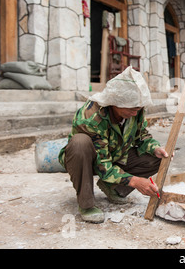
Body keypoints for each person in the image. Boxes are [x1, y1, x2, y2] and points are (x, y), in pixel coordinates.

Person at [58, 66, 170, 223]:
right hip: (88, 159)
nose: (135, 113)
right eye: (132, 108)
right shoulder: (91, 117)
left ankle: (113, 188)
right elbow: (102, 164)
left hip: (116, 154)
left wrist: (155, 148)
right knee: (79, 143)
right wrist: (135, 181)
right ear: (114, 103)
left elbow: (142, 135)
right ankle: (86, 204)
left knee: (157, 158)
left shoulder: (135, 111)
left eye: (138, 108)